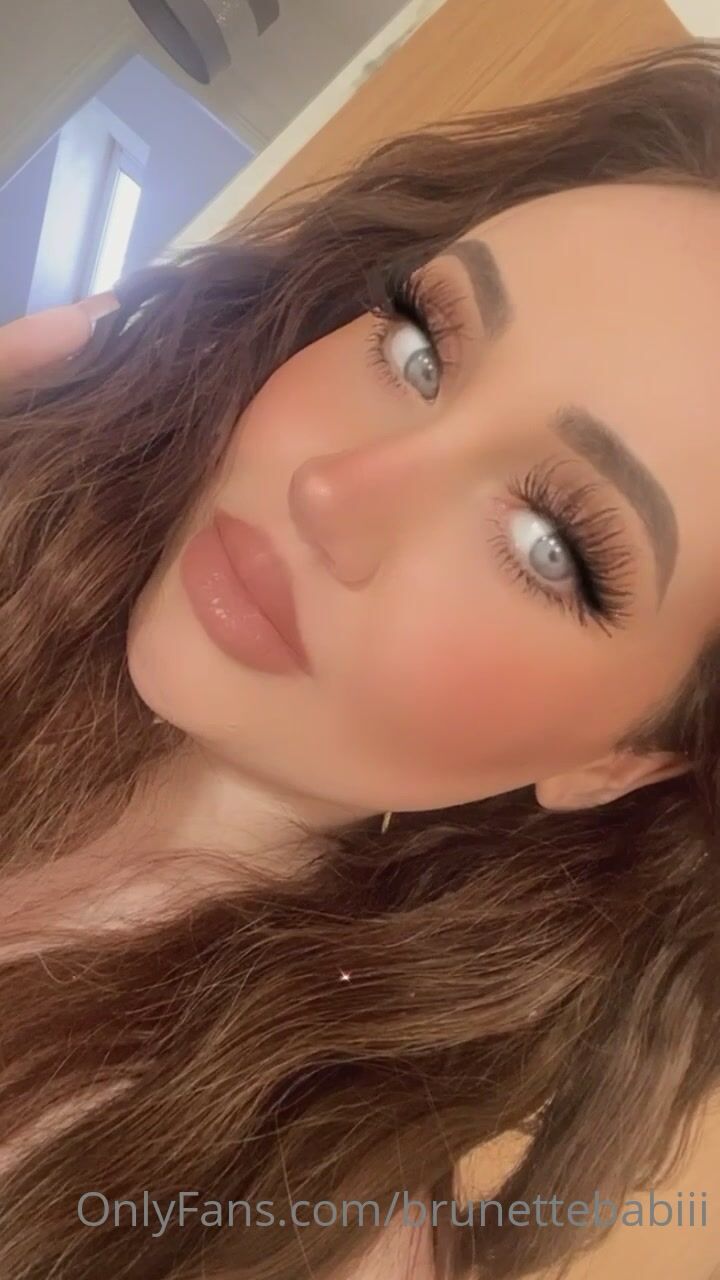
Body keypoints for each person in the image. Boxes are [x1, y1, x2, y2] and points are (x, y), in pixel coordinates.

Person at [0, 36, 719, 1280]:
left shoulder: (282, 1229)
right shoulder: (37, 542)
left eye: (550, 543)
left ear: (624, 757)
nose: (332, 489)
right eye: (420, 349)